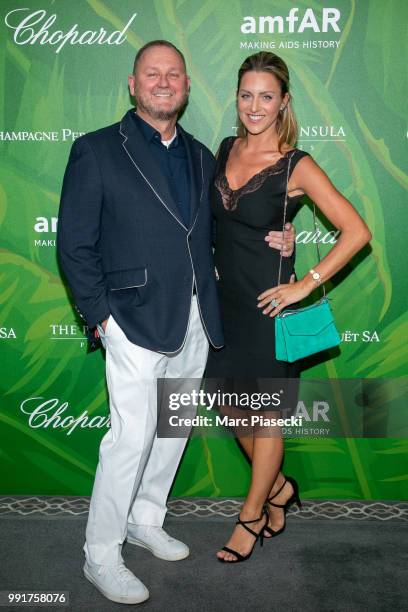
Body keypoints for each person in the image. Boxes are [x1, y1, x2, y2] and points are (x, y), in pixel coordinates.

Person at [57, 41, 295, 604]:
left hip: (196, 321)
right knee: (129, 440)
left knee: (171, 432)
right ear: (133, 85)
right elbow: (74, 245)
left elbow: (227, 226)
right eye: (151, 74)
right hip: (133, 322)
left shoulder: (201, 155)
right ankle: (100, 553)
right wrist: (102, 321)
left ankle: (145, 518)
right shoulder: (95, 151)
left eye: (174, 74)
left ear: (186, 86)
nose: (163, 81)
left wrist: (280, 238)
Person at [205, 51, 372, 563]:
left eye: (266, 97)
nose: (255, 106)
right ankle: (279, 489)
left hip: (268, 309)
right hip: (223, 306)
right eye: (246, 95)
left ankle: (251, 516)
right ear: (237, 98)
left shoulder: (297, 163)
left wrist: (306, 284)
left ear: (284, 103)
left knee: (266, 420)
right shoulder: (225, 148)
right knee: (230, 408)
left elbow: (357, 231)